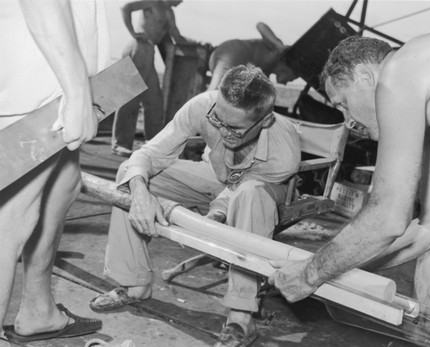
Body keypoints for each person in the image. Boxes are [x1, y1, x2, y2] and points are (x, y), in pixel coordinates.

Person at [269, 14, 430, 312]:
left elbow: (388, 215)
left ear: (366, 77)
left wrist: (311, 273)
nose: (348, 122)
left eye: (342, 103)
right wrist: (326, 271)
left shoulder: (400, 71)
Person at [89, 64, 301, 346]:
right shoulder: (203, 105)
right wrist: (140, 192)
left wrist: (217, 212)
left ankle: (241, 317)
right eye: (218, 120)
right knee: (129, 176)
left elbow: (238, 191)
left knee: (250, 195)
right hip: (213, 176)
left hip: (258, 189)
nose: (223, 130)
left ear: (262, 122)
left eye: (234, 129)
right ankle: (134, 282)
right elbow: (150, 152)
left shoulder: (283, 152)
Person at [0, 0, 110, 344]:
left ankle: (38, 310)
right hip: (41, 76)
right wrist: (76, 90)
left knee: (65, 184)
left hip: (54, 71)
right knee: (9, 220)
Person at [112, 0, 189, 157]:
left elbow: (176, 35)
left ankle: (153, 146)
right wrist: (132, 31)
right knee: (130, 98)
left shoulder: (169, 12)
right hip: (139, 48)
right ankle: (120, 144)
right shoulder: (153, 1)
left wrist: (197, 44)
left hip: (149, 52)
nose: (181, 2)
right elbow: (126, 8)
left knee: (155, 102)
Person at [207, 22, 296, 91]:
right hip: (233, 52)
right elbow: (260, 25)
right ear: (292, 71)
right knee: (217, 92)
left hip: (230, 61)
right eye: (290, 80)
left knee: (226, 95)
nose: (285, 84)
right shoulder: (278, 51)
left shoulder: (265, 73)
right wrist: (278, 46)